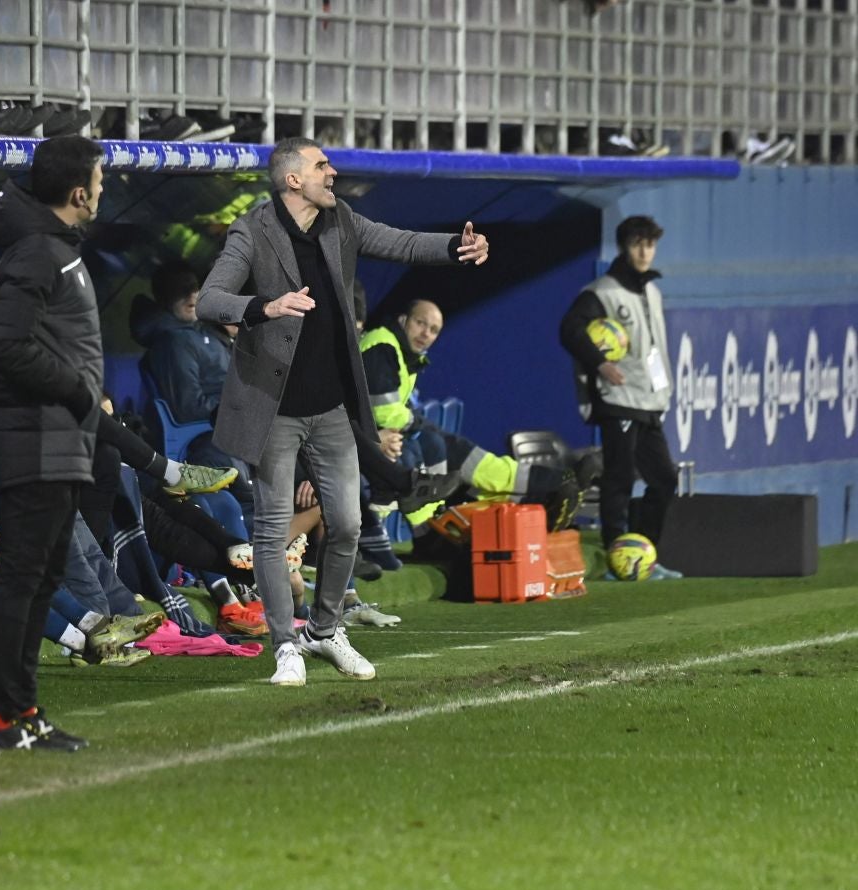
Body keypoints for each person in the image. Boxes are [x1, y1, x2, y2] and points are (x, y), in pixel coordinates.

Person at [197, 136, 489, 687]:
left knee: (350, 523)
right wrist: (266, 307)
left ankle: (325, 630)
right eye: (322, 165)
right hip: (274, 407)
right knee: (271, 531)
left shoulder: (341, 221)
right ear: (292, 180)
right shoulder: (252, 231)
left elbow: (399, 242)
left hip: (331, 407)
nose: (332, 172)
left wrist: (456, 247)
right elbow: (210, 299)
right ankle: (285, 645)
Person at [0, 134, 106, 751]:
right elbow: (4, 344)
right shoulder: (35, 253)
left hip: (58, 439)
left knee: (41, 574)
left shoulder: (54, 250)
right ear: (79, 192)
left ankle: (20, 712)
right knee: (23, 575)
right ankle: (3, 717)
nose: (103, 191)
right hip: (37, 438)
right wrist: (77, 391)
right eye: (100, 181)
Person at [363, 298, 592, 531]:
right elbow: (383, 411)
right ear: (404, 320)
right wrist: (420, 424)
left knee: (468, 458)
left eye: (433, 330)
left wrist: (418, 424)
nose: (425, 334)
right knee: (438, 447)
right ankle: (427, 532)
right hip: (366, 440)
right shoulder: (383, 345)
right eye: (420, 323)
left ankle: (554, 487)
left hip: (389, 435)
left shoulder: (404, 353)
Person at [560, 215, 682, 578]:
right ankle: (617, 555)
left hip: (648, 400)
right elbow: (569, 330)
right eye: (637, 244)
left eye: (650, 244)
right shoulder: (603, 291)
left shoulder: (651, 291)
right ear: (623, 247)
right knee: (620, 476)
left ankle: (644, 555)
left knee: (664, 479)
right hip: (618, 398)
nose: (645, 251)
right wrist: (600, 364)